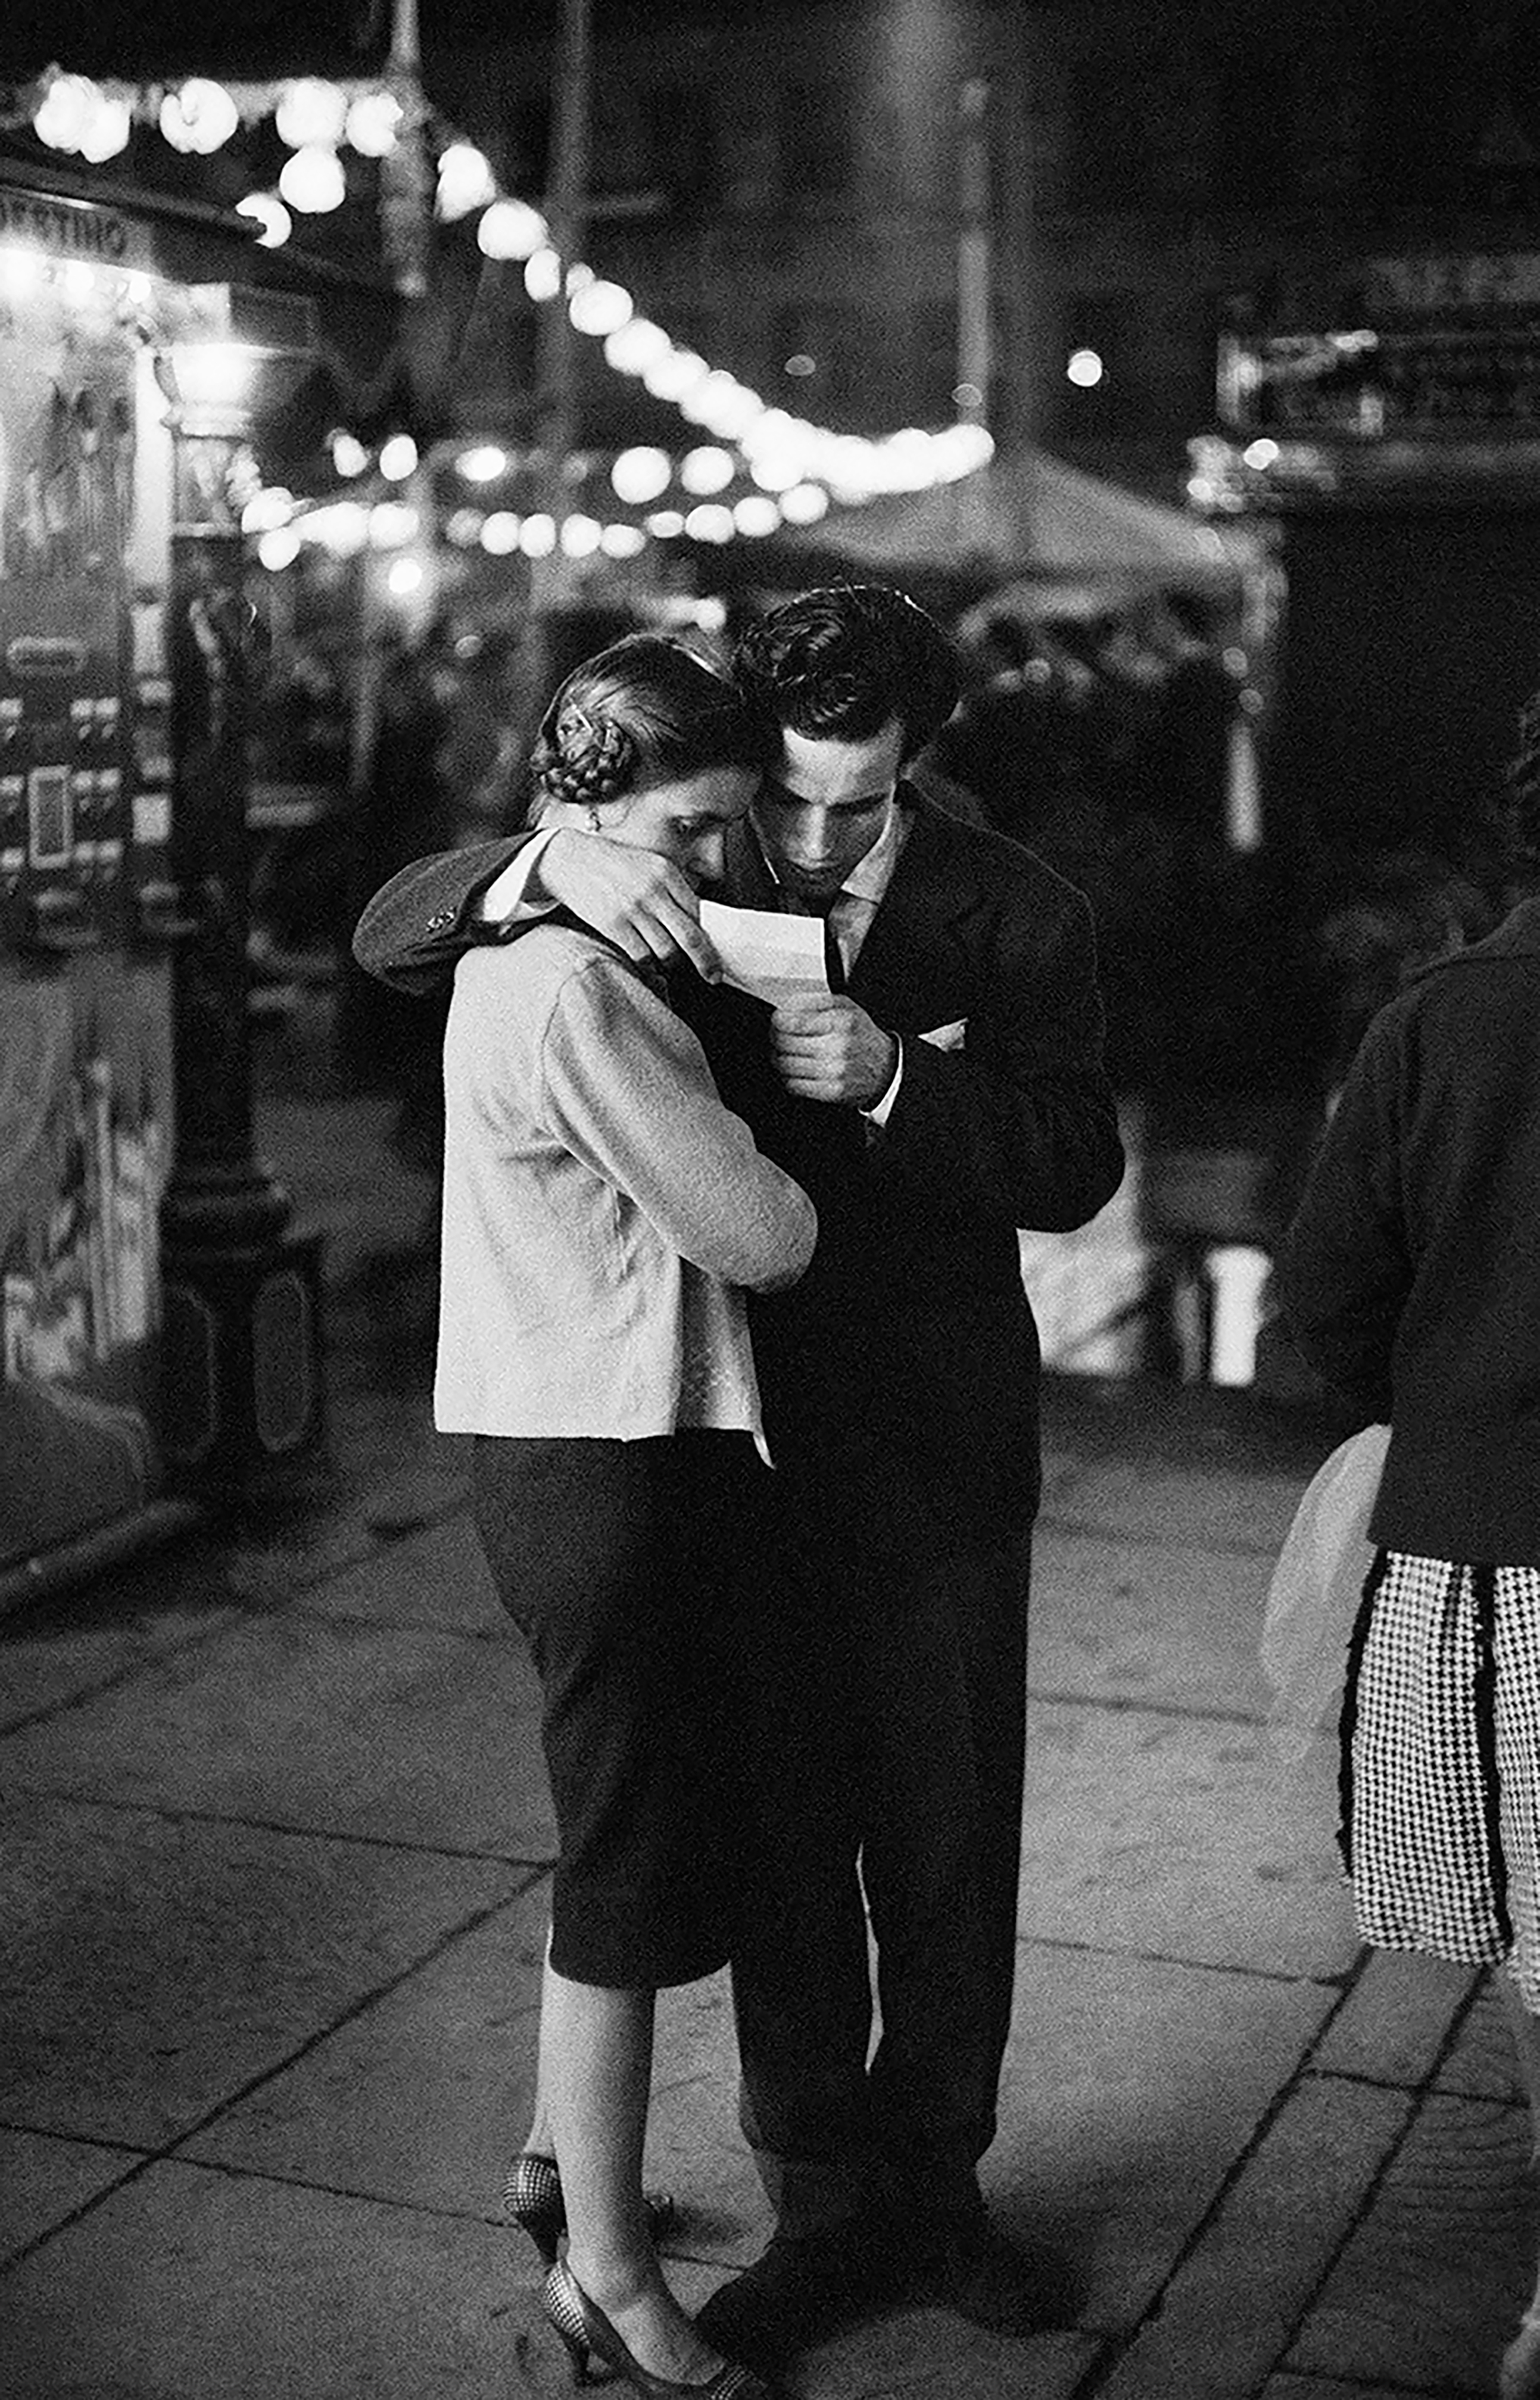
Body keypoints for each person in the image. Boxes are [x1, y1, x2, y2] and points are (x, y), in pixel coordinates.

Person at [353, 582, 1124, 2367]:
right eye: (785, 800)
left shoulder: (1017, 908)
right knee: (782, 1829)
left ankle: (937, 2191)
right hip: (729, 1432)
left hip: (930, 1439)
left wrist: (892, 1090)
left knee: (942, 1840)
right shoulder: (671, 864)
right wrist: (534, 869)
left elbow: (1076, 1158)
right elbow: (398, 931)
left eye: (859, 805)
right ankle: (818, 2200)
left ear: (922, 765)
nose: (811, 839)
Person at [429, 632, 816, 2400]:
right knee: (628, 1870)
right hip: (610, 1457)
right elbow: (763, 1237)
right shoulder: (577, 987)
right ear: (584, 811)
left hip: (557, 1444)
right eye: (685, 830)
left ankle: (548, 2168)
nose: (709, 869)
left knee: (614, 1827)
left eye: (728, 830)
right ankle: (609, 2281)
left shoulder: (521, 936)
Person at [1274, 684, 1540, 2400]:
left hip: (1496, 1544)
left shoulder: (1439, 1021)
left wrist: (1445, 1406)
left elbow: (1325, 1313)